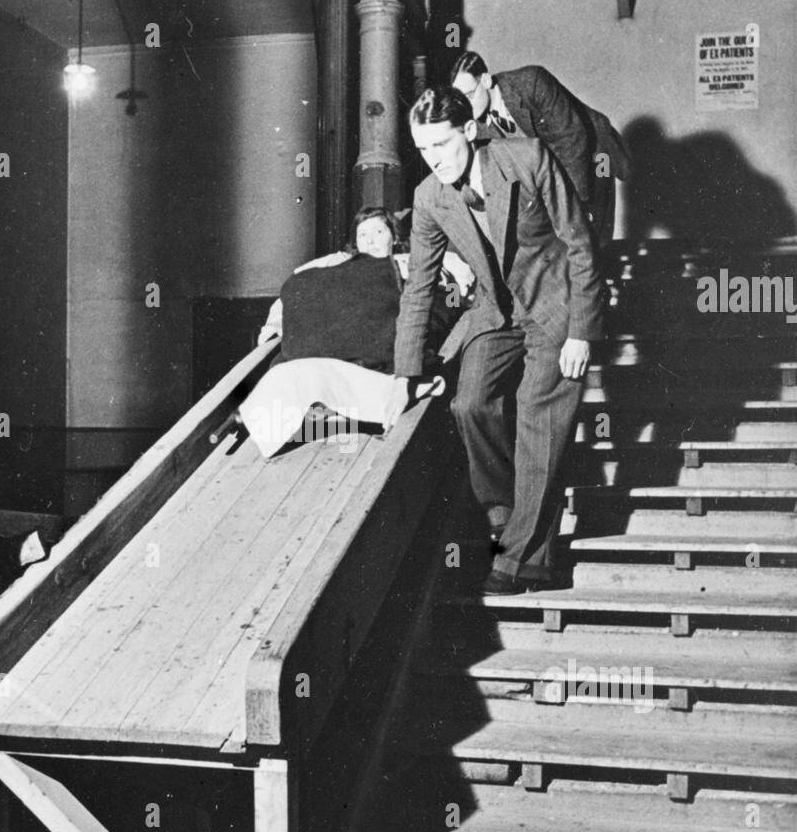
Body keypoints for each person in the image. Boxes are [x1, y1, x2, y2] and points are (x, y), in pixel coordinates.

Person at [384, 85, 607, 594]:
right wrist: (404, 375)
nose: (432, 159)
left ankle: (519, 557)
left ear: (468, 130)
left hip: (555, 302)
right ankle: (507, 515)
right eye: (422, 149)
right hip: (495, 311)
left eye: (440, 145)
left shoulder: (524, 157)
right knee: (469, 405)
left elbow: (580, 242)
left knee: (536, 410)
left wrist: (582, 331)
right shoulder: (428, 198)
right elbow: (419, 287)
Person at [450, 50, 630, 247]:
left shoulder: (531, 82)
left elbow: (572, 140)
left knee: (591, 241)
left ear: (485, 80)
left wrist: (576, 207)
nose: (465, 107)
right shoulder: (477, 125)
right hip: (555, 169)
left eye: (468, 96)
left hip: (593, 155)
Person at [257, 206, 474, 345]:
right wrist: (274, 326)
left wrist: (458, 302)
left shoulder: (413, 259)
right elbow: (296, 285)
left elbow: (454, 282)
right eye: (362, 235)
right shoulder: (339, 260)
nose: (369, 241)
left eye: (378, 232)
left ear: (395, 238)